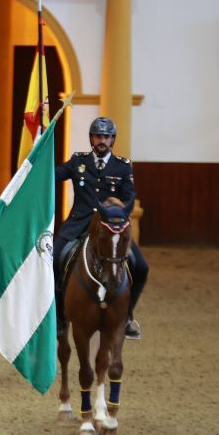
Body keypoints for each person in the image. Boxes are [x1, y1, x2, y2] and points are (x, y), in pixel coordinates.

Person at [53, 117, 148, 339]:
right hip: (78, 223)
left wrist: (117, 212)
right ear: (91, 139)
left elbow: (129, 196)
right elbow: (55, 175)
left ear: (112, 139)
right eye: (98, 136)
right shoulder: (78, 161)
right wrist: (37, 162)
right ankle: (58, 317)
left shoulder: (122, 166)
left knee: (141, 267)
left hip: (110, 227)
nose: (102, 140)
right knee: (53, 260)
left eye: (106, 136)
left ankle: (127, 316)